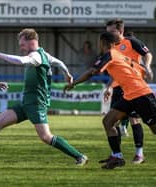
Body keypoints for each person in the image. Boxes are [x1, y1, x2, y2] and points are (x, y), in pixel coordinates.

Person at [0, 28, 88, 166]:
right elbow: (59, 62)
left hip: (37, 104)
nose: (20, 47)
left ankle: (80, 156)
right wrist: (67, 74)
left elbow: (21, 61)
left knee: (46, 137)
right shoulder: (44, 54)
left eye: (22, 44)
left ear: (32, 41)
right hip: (26, 103)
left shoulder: (36, 56)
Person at [64, 31, 156, 169]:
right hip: (129, 96)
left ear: (102, 42)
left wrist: (73, 83)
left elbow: (92, 71)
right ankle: (117, 157)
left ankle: (124, 156)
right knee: (108, 121)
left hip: (141, 95)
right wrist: (145, 72)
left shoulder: (110, 54)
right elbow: (137, 69)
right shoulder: (119, 55)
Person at [103, 19, 153, 164]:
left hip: (134, 87)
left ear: (120, 31)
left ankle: (139, 154)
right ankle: (116, 155)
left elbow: (147, 54)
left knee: (134, 119)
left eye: (112, 32)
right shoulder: (112, 48)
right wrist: (109, 87)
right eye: (108, 32)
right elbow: (114, 71)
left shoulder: (131, 42)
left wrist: (147, 67)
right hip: (118, 87)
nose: (109, 34)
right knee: (112, 122)